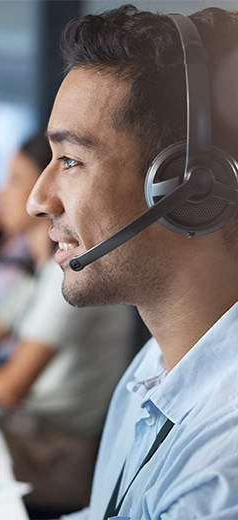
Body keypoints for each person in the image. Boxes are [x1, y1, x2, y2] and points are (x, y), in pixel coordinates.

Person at [27, 4, 238, 520]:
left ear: (191, 188)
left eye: (71, 161)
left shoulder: (219, 476)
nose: (38, 200)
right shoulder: (155, 369)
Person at [0, 133, 135, 518]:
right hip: (32, 429)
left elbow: (10, 389)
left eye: (13, 180)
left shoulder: (72, 277)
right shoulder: (40, 268)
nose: (6, 195)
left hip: (57, 450)